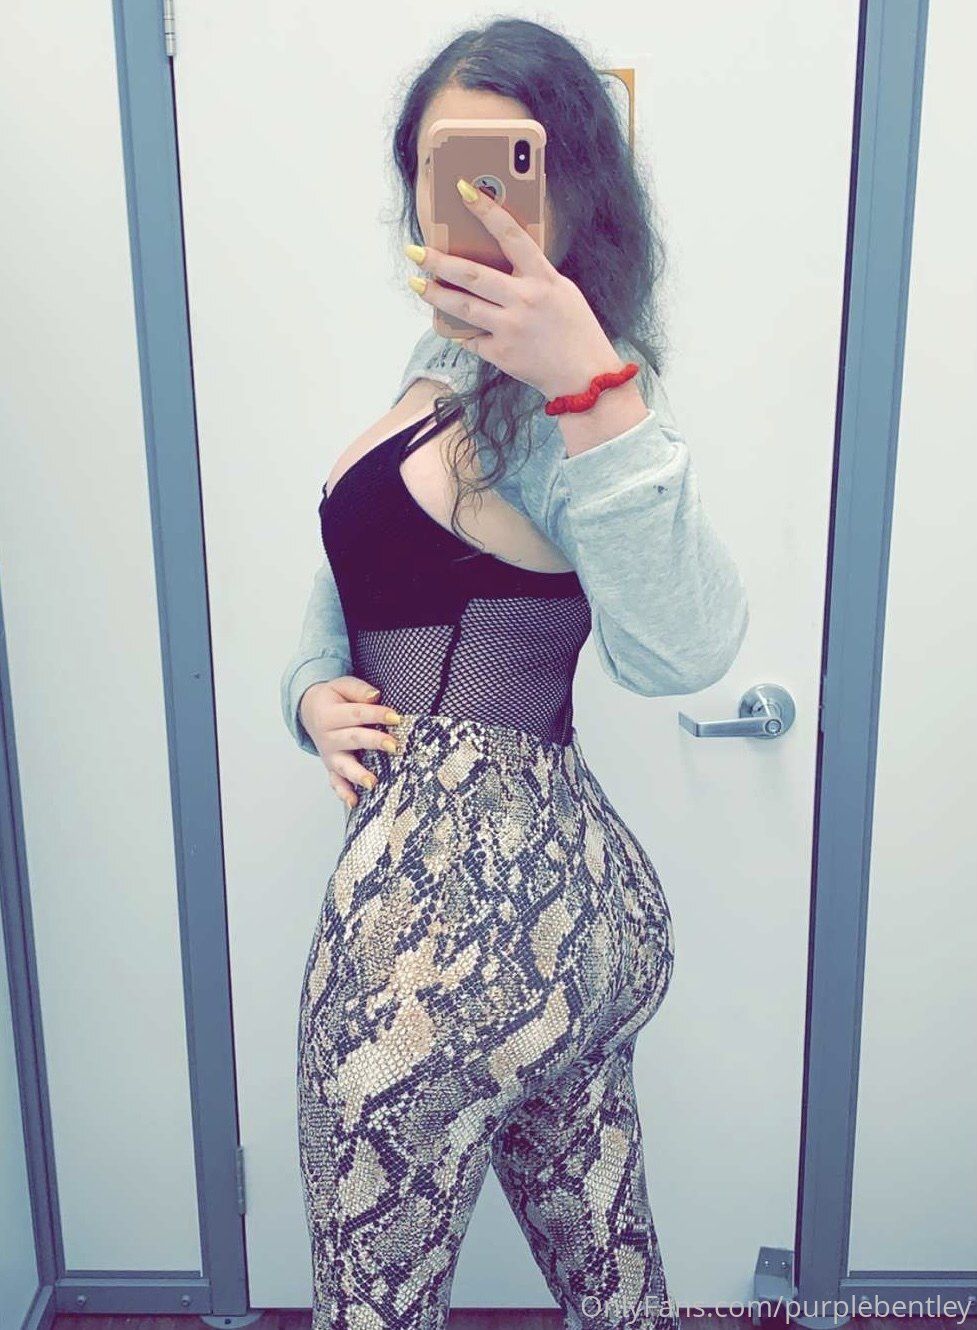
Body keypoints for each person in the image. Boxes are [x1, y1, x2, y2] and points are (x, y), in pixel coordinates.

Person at [282, 19, 749, 1330]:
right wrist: (311, 689)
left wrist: (594, 388)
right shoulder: (441, 367)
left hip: (436, 955)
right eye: (450, 171)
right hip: (572, 924)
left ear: (572, 190)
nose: (481, 207)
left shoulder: (576, 404)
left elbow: (684, 647)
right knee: (611, 1277)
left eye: (512, 170)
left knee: (373, 1307)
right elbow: (361, 567)